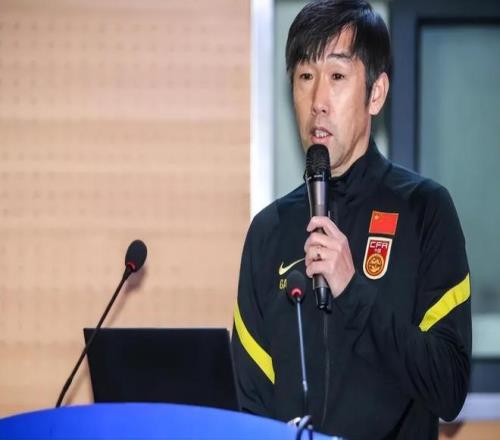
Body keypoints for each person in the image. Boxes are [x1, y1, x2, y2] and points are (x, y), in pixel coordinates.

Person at [231, 0, 471, 439]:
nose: (318, 102)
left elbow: (449, 388)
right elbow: (249, 401)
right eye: (305, 77)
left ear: (375, 93)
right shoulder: (269, 230)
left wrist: (352, 289)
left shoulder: (426, 209)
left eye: (337, 77)